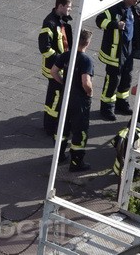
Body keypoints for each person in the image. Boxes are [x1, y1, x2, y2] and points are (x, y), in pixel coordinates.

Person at [51, 29, 94, 172]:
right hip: (79, 100)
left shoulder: (66, 55)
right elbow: (85, 82)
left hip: (66, 96)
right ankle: (76, 163)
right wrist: (90, 92)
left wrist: (63, 82)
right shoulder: (86, 60)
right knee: (80, 130)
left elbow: (53, 71)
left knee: (62, 127)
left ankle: (59, 155)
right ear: (87, 43)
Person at [95, 0, 140, 121]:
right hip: (115, 52)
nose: (136, 1)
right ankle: (107, 108)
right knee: (112, 80)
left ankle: (122, 103)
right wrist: (114, 25)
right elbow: (99, 20)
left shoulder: (134, 8)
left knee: (127, 78)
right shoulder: (113, 9)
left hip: (129, 50)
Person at [38, 0, 73, 138]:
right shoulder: (49, 23)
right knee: (55, 97)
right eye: (68, 7)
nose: (70, 10)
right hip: (54, 68)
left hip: (60, 66)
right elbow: (44, 48)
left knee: (55, 96)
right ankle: (50, 126)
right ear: (60, 6)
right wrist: (60, 59)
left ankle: (51, 123)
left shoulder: (60, 20)